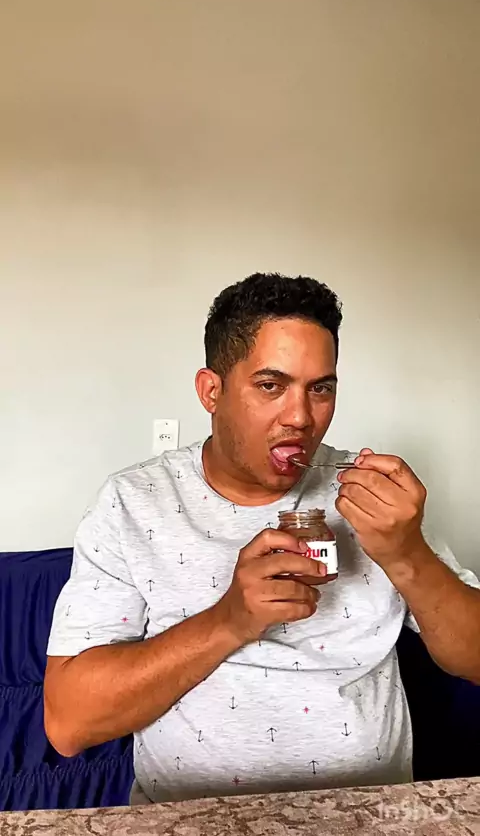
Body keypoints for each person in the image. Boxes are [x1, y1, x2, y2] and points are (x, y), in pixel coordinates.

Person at [45, 273, 480, 804]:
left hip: (369, 812)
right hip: (193, 819)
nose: (301, 418)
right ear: (211, 391)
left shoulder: (373, 496)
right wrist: (231, 620)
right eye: (271, 386)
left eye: (320, 389)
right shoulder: (133, 501)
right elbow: (68, 724)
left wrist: (408, 555)